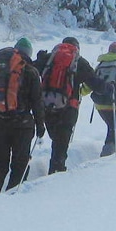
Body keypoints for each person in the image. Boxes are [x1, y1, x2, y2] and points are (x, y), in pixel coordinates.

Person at [0, 37, 44, 195]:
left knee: (0, 162)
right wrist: (40, 124)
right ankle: (13, 195)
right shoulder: (31, 71)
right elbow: (37, 101)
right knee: (20, 163)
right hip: (22, 124)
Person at [32, 36, 96, 173]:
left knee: (56, 139)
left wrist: (39, 58)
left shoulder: (49, 58)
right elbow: (96, 84)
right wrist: (109, 88)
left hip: (46, 107)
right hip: (68, 109)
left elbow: (29, 70)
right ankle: (57, 173)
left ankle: (55, 169)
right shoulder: (80, 62)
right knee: (61, 143)